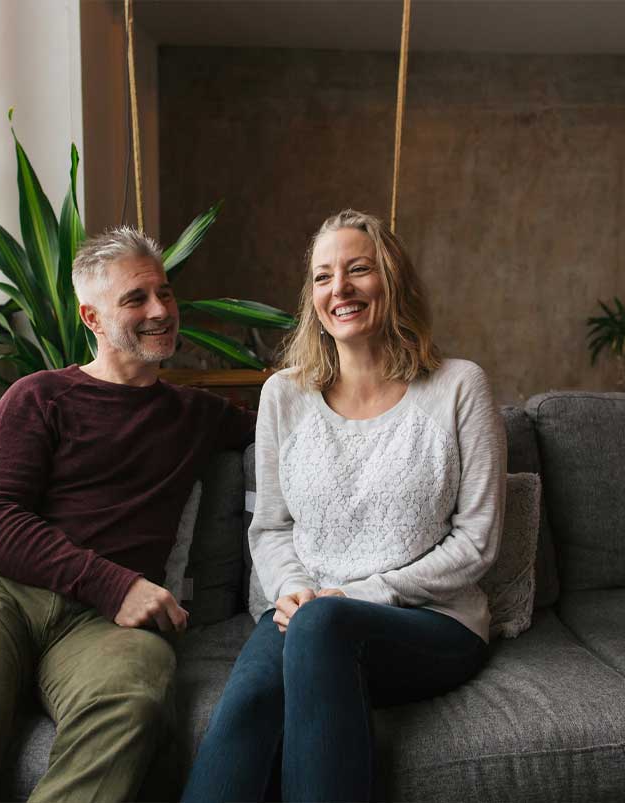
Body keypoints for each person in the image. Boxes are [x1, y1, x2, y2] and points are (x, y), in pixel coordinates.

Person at [0, 227, 256, 803]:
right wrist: (117, 582)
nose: (161, 311)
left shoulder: (197, 414)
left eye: (166, 293)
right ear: (92, 318)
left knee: (133, 707)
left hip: (106, 630)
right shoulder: (39, 395)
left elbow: (296, 422)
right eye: (135, 299)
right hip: (0, 595)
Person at [182, 209, 506, 802]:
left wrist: (354, 596)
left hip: (430, 621)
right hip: (304, 613)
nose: (341, 289)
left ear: (393, 282)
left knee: (323, 625)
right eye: (324, 277)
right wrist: (294, 592)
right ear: (311, 297)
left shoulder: (460, 386)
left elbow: (477, 541)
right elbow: (272, 527)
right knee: (250, 702)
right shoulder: (284, 394)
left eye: (359, 270)